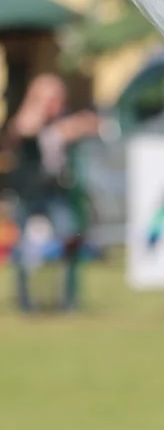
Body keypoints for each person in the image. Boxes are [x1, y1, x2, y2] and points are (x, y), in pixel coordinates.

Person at [1, 73, 99, 312]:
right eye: (50, 98)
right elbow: (24, 128)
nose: (55, 103)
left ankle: (68, 298)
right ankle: (26, 301)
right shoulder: (27, 117)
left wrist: (68, 125)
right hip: (28, 194)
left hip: (57, 193)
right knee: (24, 246)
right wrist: (42, 106)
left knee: (69, 239)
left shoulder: (64, 118)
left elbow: (90, 123)